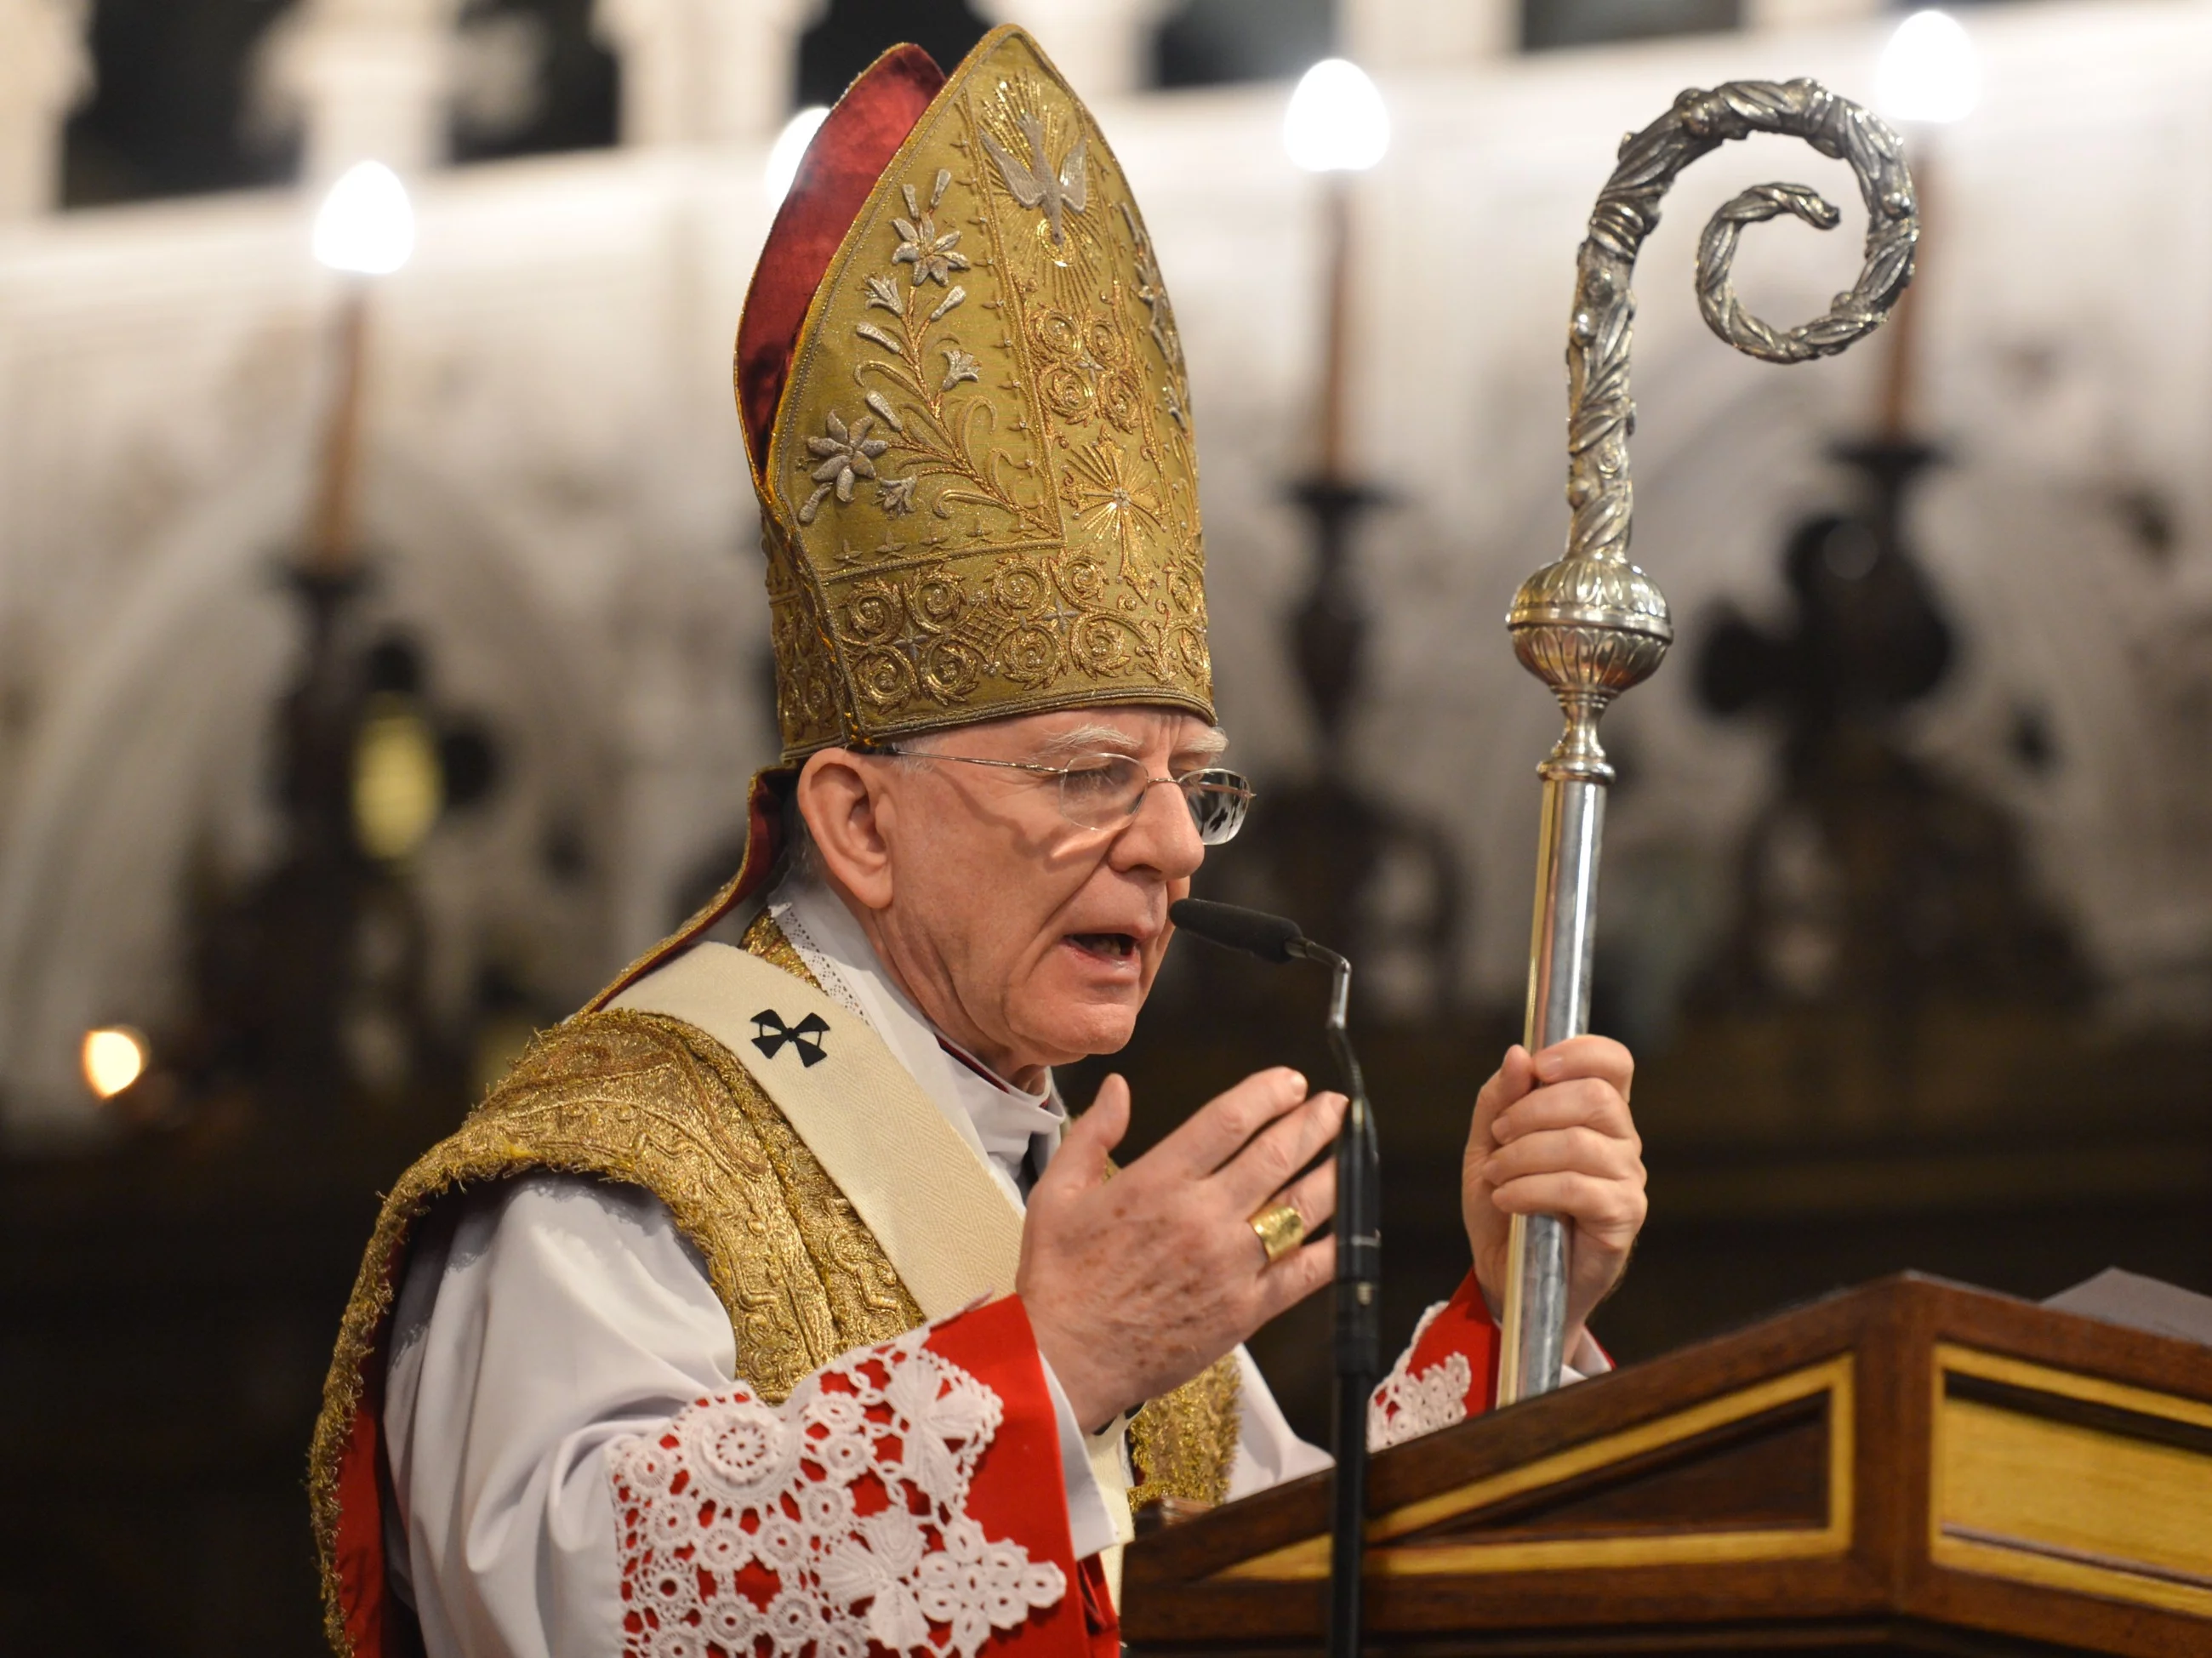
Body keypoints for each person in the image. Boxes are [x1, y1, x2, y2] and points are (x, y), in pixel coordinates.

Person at [308, 27, 1647, 1658]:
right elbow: (565, 1601)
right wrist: (1050, 1374)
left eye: (1192, 785)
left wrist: (1516, 1315)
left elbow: (1289, 1592)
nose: (1168, 845)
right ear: (858, 820)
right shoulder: (623, 1177)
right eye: (1090, 774)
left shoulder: (1043, 1168)